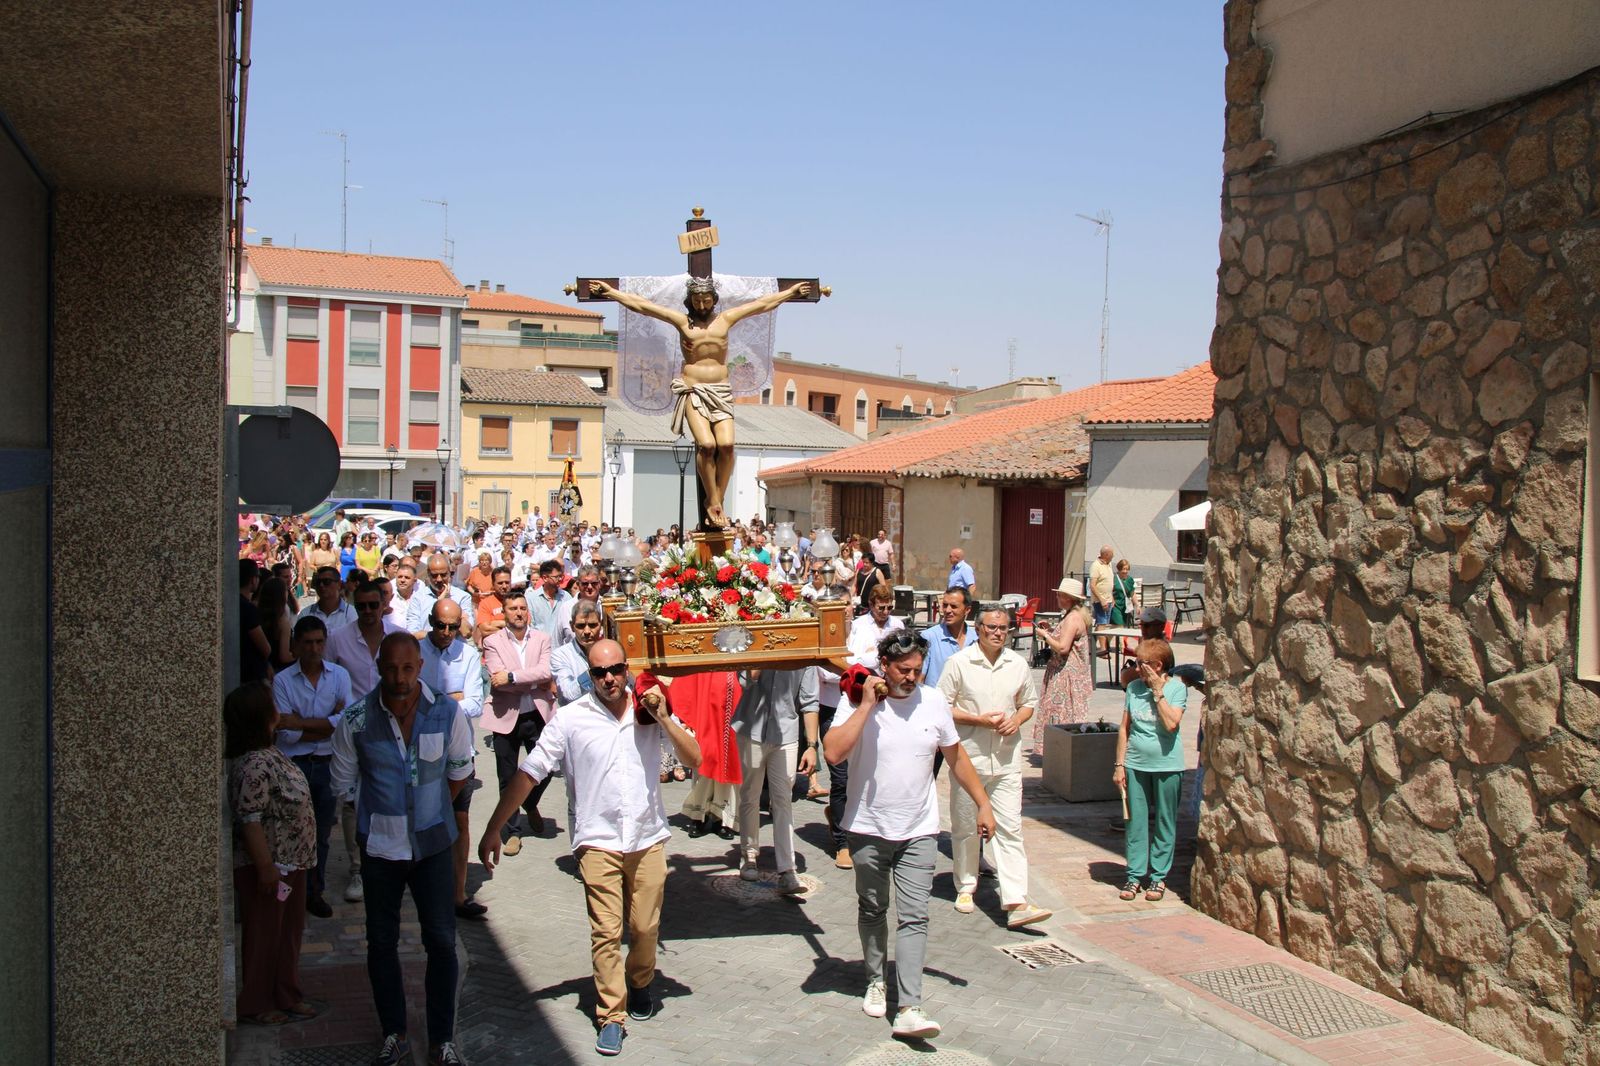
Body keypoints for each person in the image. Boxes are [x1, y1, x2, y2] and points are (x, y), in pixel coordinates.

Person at [478, 640, 703, 1058]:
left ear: (626, 668)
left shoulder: (648, 709)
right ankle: (610, 1014)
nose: (609, 679)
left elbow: (695, 758)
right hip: (596, 840)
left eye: (616, 669)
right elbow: (530, 772)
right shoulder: (570, 719)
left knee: (644, 928)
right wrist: (494, 826)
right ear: (590, 674)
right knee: (605, 932)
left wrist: (663, 717)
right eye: (600, 672)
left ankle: (639, 981)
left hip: (647, 837)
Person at [823, 631, 997, 1040]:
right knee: (873, 909)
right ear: (885, 665)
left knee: (916, 916)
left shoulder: (934, 701)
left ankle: (910, 1006)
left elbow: (955, 755)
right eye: (904, 670)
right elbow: (833, 752)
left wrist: (982, 802)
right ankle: (875, 979)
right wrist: (867, 705)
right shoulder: (858, 699)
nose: (912, 678)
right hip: (868, 828)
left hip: (919, 829)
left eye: (918, 670)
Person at [331, 633, 473, 1066]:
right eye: (391, 668)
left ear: (420, 668)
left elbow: (459, 771)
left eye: (408, 668)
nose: (399, 677)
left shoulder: (447, 714)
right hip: (380, 851)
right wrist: (383, 814)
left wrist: (430, 813)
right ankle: (394, 1032)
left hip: (432, 849)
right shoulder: (355, 720)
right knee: (381, 943)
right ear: (378, 668)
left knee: (442, 943)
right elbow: (344, 785)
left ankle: (442, 1039)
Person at [585, 275, 811, 528]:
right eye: (696, 301)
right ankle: (713, 501)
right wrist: (611, 293)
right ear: (690, 301)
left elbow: (763, 304)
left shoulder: (725, 319)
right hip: (692, 389)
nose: (702, 306)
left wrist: (790, 292)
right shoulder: (683, 322)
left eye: (706, 300)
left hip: (721, 391)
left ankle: (717, 499)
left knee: (726, 445)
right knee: (706, 445)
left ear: (713, 300)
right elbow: (642, 305)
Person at [938, 607, 1052, 928]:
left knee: (1010, 828)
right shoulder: (959, 663)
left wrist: (1016, 720)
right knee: (964, 827)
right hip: (968, 760)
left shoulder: (1016, 664)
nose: (998, 633)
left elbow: (1028, 702)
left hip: (1005, 761)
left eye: (1003, 628)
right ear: (978, 629)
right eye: (991, 627)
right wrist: (978, 720)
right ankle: (966, 885)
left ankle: (1017, 899)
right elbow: (941, 705)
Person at [226, 681, 319, 1026]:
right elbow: (249, 818)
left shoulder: (268, 754)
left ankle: (286, 993)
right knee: (265, 934)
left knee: (287, 933)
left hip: (292, 864)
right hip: (269, 870)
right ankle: (256, 1002)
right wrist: (265, 867)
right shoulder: (252, 764)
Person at [273, 614, 354, 917]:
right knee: (292, 832)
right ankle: (289, 892)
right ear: (295, 645)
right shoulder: (282, 681)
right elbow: (287, 733)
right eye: (307, 643)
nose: (314, 649)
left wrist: (303, 722)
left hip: (326, 764)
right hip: (294, 765)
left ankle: (314, 891)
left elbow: (346, 721)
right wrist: (327, 722)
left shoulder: (339, 676)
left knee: (320, 834)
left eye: (319, 642)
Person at [418, 599, 487, 920]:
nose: (445, 633)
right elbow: (409, 698)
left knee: (460, 821)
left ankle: (458, 894)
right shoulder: (416, 652)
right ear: (430, 621)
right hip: (421, 753)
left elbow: (474, 703)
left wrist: (435, 699)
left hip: (458, 753)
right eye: (439, 625)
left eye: (452, 627)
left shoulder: (469, 655)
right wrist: (452, 698)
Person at [731, 668, 819, 894]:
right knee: (750, 794)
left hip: (786, 732)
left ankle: (787, 868)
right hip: (751, 728)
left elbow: (810, 701)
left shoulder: (804, 655)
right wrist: (760, 662)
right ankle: (749, 854)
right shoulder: (753, 643)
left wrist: (811, 745)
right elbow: (743, 682)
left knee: (782, 799)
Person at [481, 588, 555, 851]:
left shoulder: (542, 639)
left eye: (522, 608)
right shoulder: (492, 642)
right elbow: (496, 679)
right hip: (506, 715)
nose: (519, 613)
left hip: (537, 714)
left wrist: (514, 677)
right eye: (513, 608)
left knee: (547, 767)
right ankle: (512, 831)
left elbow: (547, 670)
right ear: (505, 612)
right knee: (507, 776)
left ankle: (529, 801)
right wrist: (533, 680)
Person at [1114, 637, 1187, 904]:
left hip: (1168, 765)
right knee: (1135, 822)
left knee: (1165, 822)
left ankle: (1158, 876)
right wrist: (1119, 764)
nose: (1135, 668)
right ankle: (1134, 875)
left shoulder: (1177, 689)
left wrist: (1158, 692)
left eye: (1140, 663)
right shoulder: (1133, 688)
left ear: (1157, 665)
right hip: (1135, 764)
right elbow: (1124, 728)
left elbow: (1171, 724)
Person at [1034, 578, 1097, 748]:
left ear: (1067, 597)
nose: (1057, 598)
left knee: (1061, 712)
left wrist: (1045, 636)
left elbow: (1063, 648)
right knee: (1065, 712)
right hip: (1069, 673)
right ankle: (1062, 747)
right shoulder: (1073, 615)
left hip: (1066, 675)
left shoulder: (1073, 618)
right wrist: (1050, 631)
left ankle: (1060, 747)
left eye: (1060, 595)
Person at [919, 587, 975, 687]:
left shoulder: (976, 639)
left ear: (967, 610)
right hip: (938, 700)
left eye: (954, 606)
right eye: (945, 605)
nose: (947, 610)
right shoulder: (929, 637)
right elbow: (919, 679)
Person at [413, 552, 476, 642]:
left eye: (443, 575)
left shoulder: (463, 597)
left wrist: (447, 602)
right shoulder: (418, 598)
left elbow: (466, 632)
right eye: (434, 575)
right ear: (428, 573)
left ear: (450, 572)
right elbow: (413, 635)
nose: (439, 579)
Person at [846, 584, 904, 671]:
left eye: (889, 607)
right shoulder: (858, 625)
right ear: (871, 605)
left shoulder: (897, 624)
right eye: (881, 608)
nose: (885, 612)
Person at [528, 559, 574, 646]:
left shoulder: (566, 597)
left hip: (562, 650)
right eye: (557, 577)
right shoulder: (531, 599)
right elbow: (530, 626)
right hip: (539, 648)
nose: (560, 579)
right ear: (545, 578)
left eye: (561, 576)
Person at [298, 565, 357, 633]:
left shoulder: (351, 613)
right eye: (318, 582)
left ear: (339, 584)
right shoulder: (305, 614)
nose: (321, 585)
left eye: (326, 581)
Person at [257, 574, 296, 675]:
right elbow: (284, 656)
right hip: (279, 671)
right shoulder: (282, 622)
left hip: (260, 667)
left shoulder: (257, 616)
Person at [1089, 545, 1115, 626]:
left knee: (1105, 624)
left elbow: (1108, 582)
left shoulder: (1109, 564)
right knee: (1102, 624)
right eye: (1112, 554)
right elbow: (1092, 585)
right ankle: (1099, 638)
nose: (1113, 556)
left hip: (1109, 600)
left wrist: (1112, 598)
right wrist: (1102, 600)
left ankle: (1099, 639)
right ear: (1106, 555)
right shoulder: (1096, 566)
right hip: (1100, 601)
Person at [1110, 558, 1136, 626]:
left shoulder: (1129, 579)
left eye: (1127, 569)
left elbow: (1132, 593)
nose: (1125, 571)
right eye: (1123, 569)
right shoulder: (1113, 578)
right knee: (1119, 624)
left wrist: (1137, 605)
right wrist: (1112, 599)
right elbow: (1109, 590)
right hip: (1116, 606)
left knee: (1125, 626)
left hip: (1126, 607)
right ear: (1119, 569)